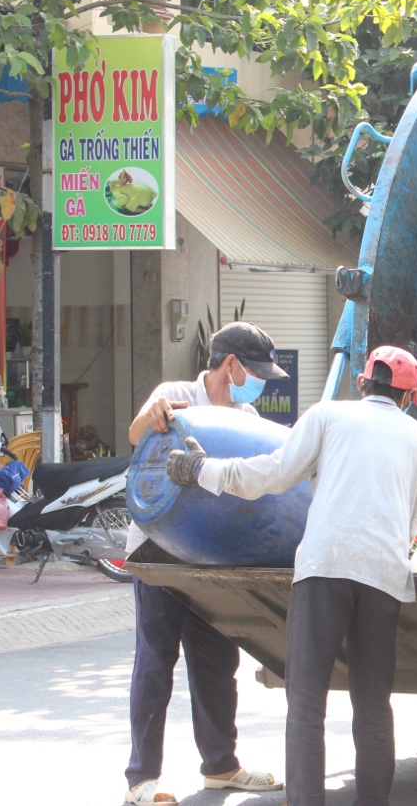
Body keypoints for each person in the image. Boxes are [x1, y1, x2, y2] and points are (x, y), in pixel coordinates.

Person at [166, 345, 417, 806]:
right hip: (384, 577)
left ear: (361, 384)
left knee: (307, 706)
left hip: (324, 568)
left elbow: (272, 475)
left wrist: (202, 469)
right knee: (372, 707)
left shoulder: (328, 415)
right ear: (410, 398)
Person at [124, 321, 288, 806]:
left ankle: (221, 766)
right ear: (231, 364)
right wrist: (152, 415)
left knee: (217, 661)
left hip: (216, 553)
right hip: (161, 552)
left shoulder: (247, 413)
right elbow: (137, 435)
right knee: (156, 660)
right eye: (253, 370)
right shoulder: (175, 393)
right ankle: (142, 780)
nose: (257, 380)